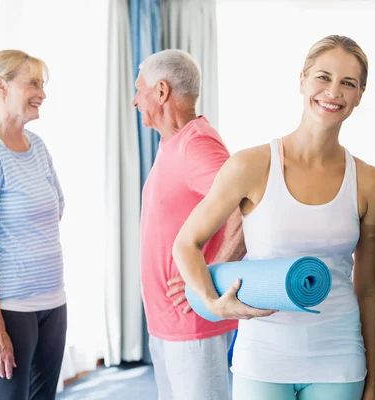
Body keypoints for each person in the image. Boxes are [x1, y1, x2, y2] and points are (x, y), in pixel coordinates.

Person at [173, 35, 375, 400]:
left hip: (339, 355)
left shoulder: (370, 182)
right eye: (323, 77)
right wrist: (211, 302)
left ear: (360, 94)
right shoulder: (251, 165)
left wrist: (373, 380)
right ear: (302, 79)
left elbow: (368, 289)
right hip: (262, 355)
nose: (333, 91)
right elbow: (186, 243)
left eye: (348, 83)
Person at [133, 49, 244, 400]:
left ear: (161, 91)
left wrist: (209, 275)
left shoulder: (197, 143)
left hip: (192, 322)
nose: (135, 100)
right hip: (167, 321)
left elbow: (244, 208)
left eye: (140, 90)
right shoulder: (172, 144)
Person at [0, 50, 67, 400]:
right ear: (1, 86)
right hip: (9, 308)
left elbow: (57, 209)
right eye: (34, 83)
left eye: (43, 84)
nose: (43, 93)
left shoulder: (37, 146)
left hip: (53, 302)